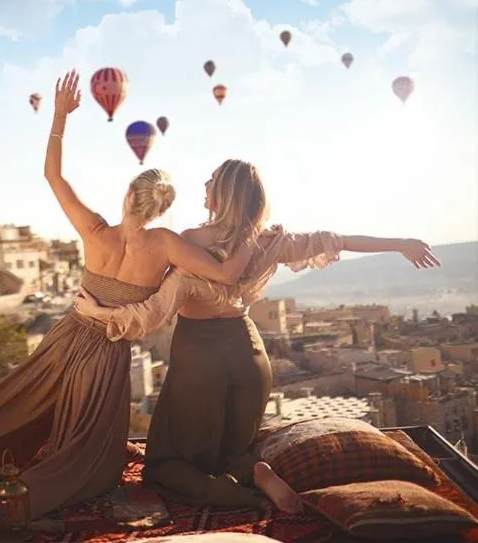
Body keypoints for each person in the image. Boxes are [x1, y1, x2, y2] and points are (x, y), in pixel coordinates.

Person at [0, 72, 254, 533]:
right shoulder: (168, 244)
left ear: (128, 196)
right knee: (88, 451)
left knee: (13, 407)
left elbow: (52, 175)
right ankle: (45, 486)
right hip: (107, 347)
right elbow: (226, 276)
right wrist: (250, 233)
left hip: (67, 333)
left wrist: (59, 116)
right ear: (159, 209)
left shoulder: (94, 231)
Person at [74, 158, 440, 514]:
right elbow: (337, 240)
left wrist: (98, 311)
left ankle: (232, 490)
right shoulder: (270, 240)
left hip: (200, 361)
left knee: (169, 465)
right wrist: (401, 242)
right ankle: (252, 472)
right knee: (233, 448)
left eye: (212, 179)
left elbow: (152, 312)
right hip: (249, 357)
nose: (204, 185)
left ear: (226, 192)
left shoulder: (190, 241)